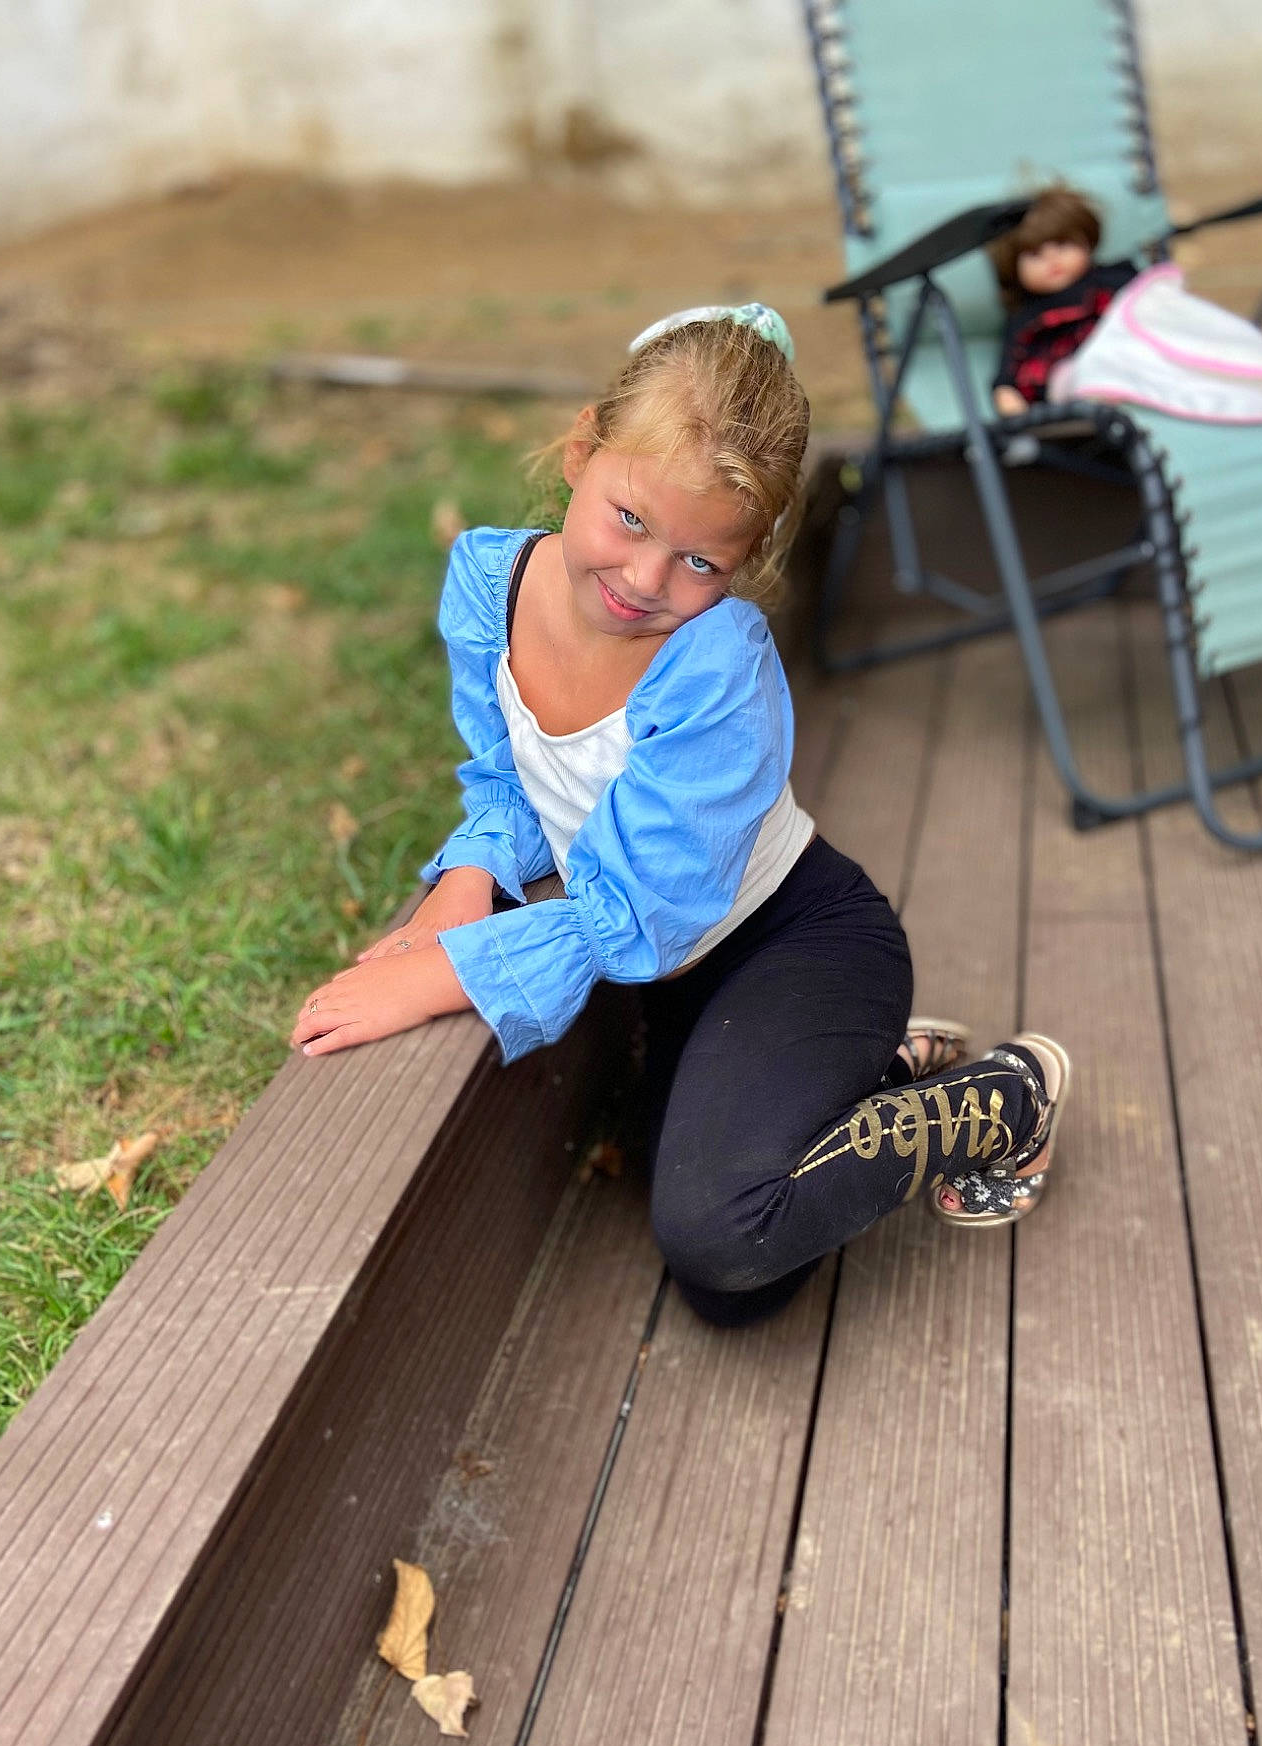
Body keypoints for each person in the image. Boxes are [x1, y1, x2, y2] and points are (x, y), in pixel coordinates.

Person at [291, 304, 1069, 1324]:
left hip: (795, 940)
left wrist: (446, 976)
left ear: (744, 560)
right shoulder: (489, 584)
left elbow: (641, 912)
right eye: (630, 519)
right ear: (580, 450)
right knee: (734, 1257)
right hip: (676, 981)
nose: (647, 579)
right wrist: (468, 877)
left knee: (722, 1247)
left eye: (702, 562)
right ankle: (870, 1070)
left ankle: (1007, 1096)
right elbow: (503, 775)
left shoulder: (716, 666)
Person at [989, 185, 1138, 416]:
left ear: (1087, 239)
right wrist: (1010, 403)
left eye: (1062, 244)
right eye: (1034, 254)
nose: (1052, 259)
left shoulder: (1116, 279)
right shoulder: (1025, 317)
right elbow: (1006, 379)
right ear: (1013, 268)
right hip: (1072, 394)